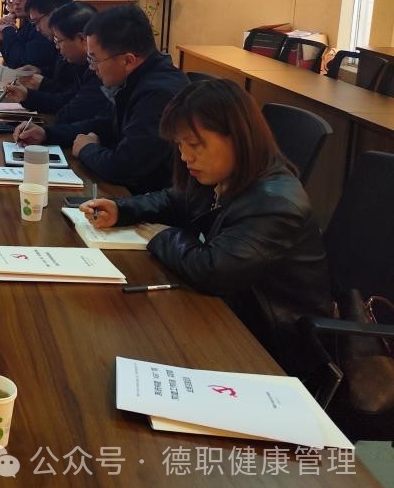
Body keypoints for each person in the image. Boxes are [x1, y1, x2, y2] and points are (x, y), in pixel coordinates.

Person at [80, 79, 333, 375]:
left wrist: (162, 236)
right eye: (180, 145)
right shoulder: (225, 173)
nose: (185, 156)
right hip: (228, 316)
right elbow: (175, 200)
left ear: (236, 136)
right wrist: (122, 210)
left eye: (194, 145)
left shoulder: (276, 202)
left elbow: (213, 270)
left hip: (274, 349)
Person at [15, 4, 189, 193]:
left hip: (148, 198)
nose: (91, 67)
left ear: (128, 60)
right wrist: (47, 134)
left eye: (94, 59)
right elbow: (105, 124)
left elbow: (125, 167)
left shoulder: (159, 94)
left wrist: (87, 149)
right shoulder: (135, 79)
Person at [5, 1, 108, 124]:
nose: (57, 47)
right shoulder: (80, 62)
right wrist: (27, 96)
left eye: (58, 41)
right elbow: (68, 98)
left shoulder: (99, 69)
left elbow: (70, 113)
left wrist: (34, 92)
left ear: (82, 39)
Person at [2, 0, 74, 100]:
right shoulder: (57, 38)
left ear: (54, 13)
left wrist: (42, 84)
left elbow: (72, 95)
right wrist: (40, 71)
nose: (37, 28)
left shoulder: (72, 43)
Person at [0, 0, 56, 71]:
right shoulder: (27, 23)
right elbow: (9, 59)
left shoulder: (42, 26)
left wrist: (7, 30)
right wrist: (2, 34)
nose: (16, 2)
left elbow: (19, 64)